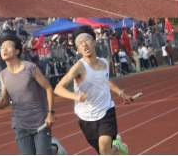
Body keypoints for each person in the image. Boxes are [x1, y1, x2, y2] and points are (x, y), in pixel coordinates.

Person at [54, 26, 132, 156]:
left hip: (106, 110)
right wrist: (76, 97)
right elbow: (58, 88)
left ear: (94, 42)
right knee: (104, 152)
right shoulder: (78, 67)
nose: (84, 44)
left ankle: (114, 145)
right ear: (78, 49)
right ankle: (118, 146)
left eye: (87, 40)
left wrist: (121, 93)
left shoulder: (105, 63)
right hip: (86, 116)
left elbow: (105, 81)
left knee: (104, 146)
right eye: (80, 43)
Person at [0, 35, 57, 155]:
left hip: (40, 121)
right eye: (2, 47)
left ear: (17, 51)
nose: (4, 49)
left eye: (8, 46)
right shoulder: (3, 74)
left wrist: (50, 113)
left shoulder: (30, 68)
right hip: (20, 124)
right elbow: (5, 101)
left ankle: (54, 151)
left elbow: (48, 88)